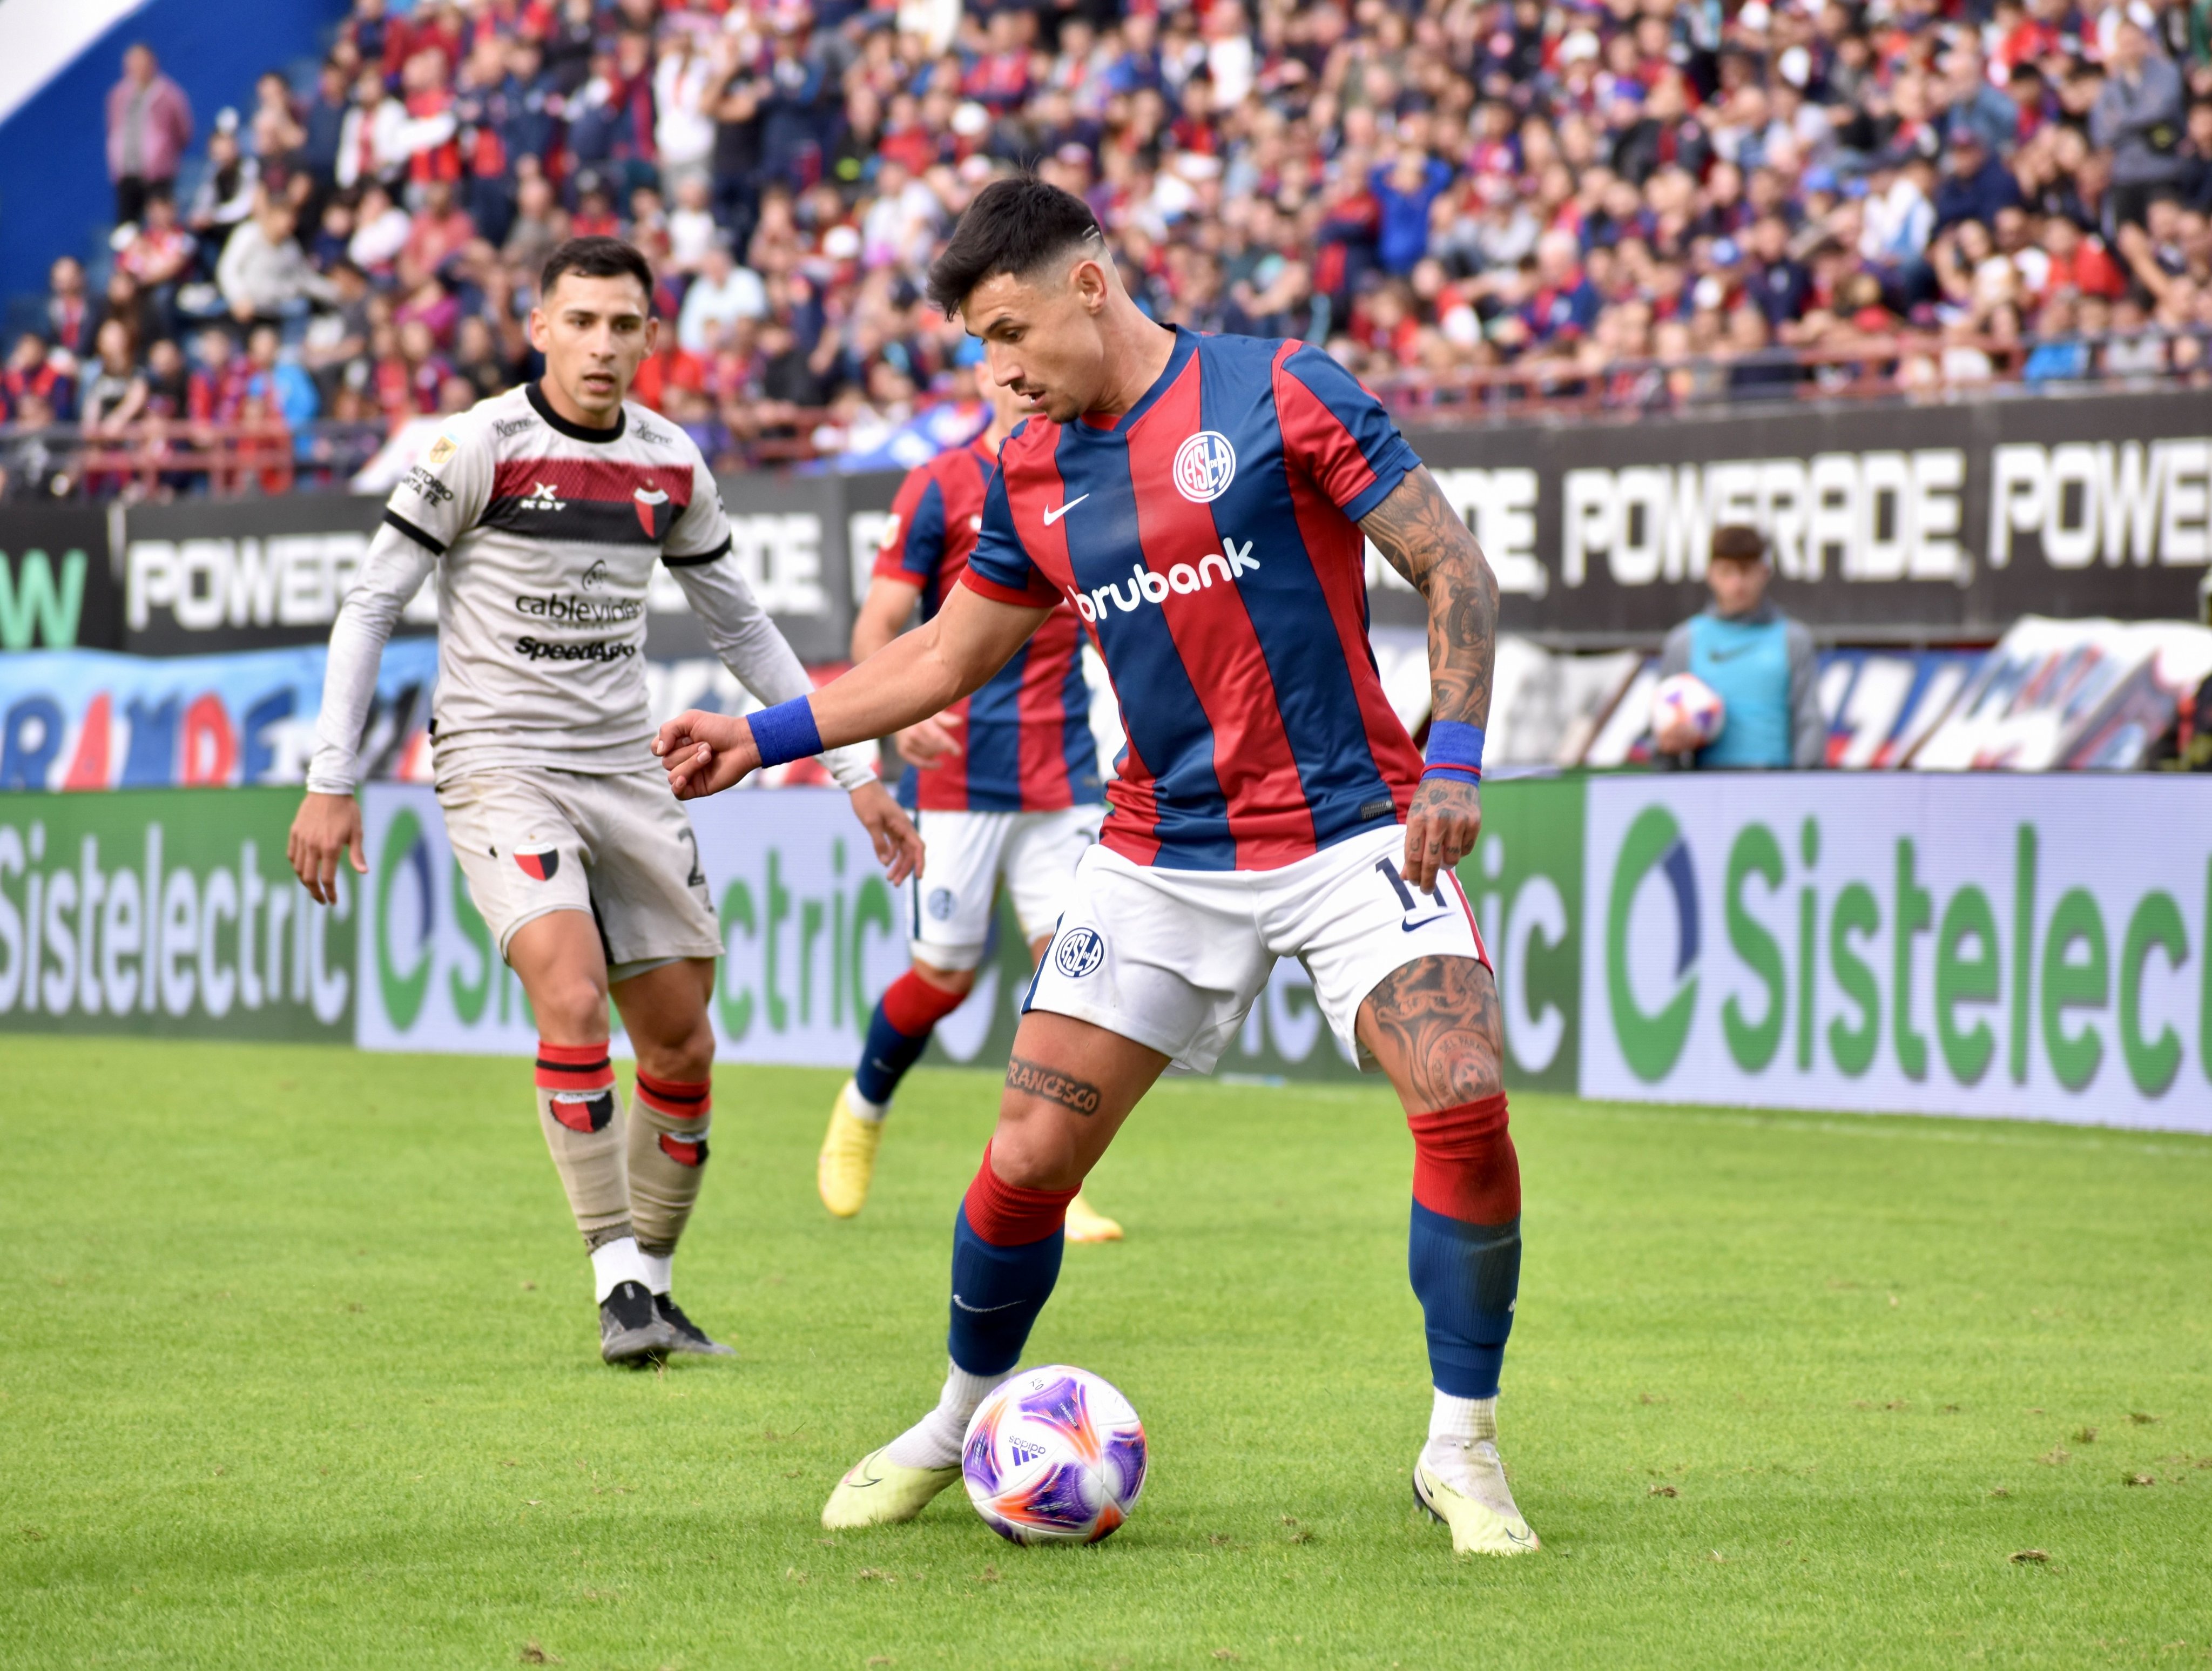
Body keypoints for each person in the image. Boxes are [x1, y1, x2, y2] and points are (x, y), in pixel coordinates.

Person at [654, 178, 1535, 1558]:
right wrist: (758, 735)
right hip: (1159, 853)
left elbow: (1454, 567)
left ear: (1090, 282)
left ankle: (1461, 1450)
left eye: (1009, 332)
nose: (998, 371)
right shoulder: (1025, 469)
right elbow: (944, 655)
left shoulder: (1279, 390)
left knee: (1462, 1092)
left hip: (1353, 825)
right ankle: (954, 1423)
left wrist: (1459, 755)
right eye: (976, 347)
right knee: (1025, 1154)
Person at [287, 236, 922, 1366]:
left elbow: (742, 629)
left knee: (682, 1043)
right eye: (578, 321)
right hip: (499, 761)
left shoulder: (670, 462)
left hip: (628, 769)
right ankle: (616, 1279)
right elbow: (371, 603)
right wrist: (331, 778)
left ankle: (657, 1290)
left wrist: (854, 769)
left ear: (649, 336)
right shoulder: (477, 446)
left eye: (623, 325)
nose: (600, 345)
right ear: (538, 327)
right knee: (572, 993)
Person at [818, 359, 1121, 1245]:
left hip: (1062, 774)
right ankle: (862, 1106)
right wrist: (899, 718)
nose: (1023, 376)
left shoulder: (1094, 472)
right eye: (1004, 356)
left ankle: (1053, 1177)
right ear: (986, 373)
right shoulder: (940, 484)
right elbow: (878, 626)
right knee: (943, 980)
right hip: (956, 777)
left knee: (1073, 980)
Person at [1653, 524, 1824, 768]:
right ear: (1711, 574)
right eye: (1727, 572)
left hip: (1775, 780)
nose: (1737, 583)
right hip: (1706, 784)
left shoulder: (1793, 639)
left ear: (1764, 573)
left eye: (1747, 572)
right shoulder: (1685, 641)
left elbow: (1809, 720)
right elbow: (1660, 733)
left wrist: (1803, 782)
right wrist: (1668, 747)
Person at [106, 43, 194, 228]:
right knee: (126, 229)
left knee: (162, 225)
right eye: (132, 65)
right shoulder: (118, 95)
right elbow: (113, 128)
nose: (136, 69)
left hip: (157, 176)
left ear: (152, 64)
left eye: (141, 64)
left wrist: (163, 154)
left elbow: (184, 131)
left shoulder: (169, 94)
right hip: (127, 173)